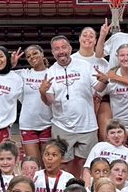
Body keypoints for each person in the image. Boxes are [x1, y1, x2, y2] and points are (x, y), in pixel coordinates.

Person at [41, 36, 98, 175]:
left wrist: (105, 81)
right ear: (53, 53)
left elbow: (99, 87)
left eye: (63, 47)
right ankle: (67, 189)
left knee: (84, 163)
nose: (61, 51)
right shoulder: (50, 72)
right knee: (63, 164)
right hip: (62, 125)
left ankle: (80, 188)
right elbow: (49, 100)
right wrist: (42, 92)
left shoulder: (84, 66)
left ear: (70, 49)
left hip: (87, 124)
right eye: (57, 49)